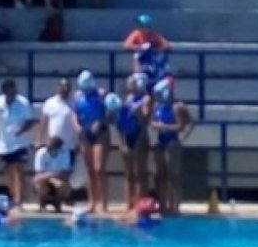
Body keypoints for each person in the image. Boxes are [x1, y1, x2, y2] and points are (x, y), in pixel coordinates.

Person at [0, 79, 37, 209]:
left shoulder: (23, 103)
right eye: (10, 92)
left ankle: (20, 200)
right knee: (8, 172)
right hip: (4, 144)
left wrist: (21, 130)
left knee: (19, 169)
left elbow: (31, 121)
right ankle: (14, 196)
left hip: (20, 142)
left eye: (14, 91)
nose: (13, 94)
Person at [151, 79, 194, 215]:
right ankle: (162, 204)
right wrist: (156, 125)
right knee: (159, 174)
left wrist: (183, 136)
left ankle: (174, 205)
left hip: (172, 142)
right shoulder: (157, 106)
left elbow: (186, 124)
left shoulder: (177, 107)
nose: (157, 97)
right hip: (161, 141)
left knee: (172, 175)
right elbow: (152, 122)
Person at [71, 70, 109, 213]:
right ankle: (92, 201)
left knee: (99, 168)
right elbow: (74, 114)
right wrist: (77, 126)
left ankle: (103, 202)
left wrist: (99, 121)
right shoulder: (77, 96)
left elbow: (109, 113)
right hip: (85, 133)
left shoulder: (101, 94)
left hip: (100, 133)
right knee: (90, 170)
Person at [117, 75, 151, 209]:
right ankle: (129, 203)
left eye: (133, 83)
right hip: (127, 137)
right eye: (129, 84)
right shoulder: (124, 101)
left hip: (139, 136)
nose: (130, 86)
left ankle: (140, 203)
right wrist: (122, 143)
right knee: (128, 173)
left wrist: (138, 113)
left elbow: (145, 120)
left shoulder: (145, 99)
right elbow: (119, 124)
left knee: (140, 173)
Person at [38, 78, 78, 167]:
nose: (65, 89)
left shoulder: (74, 103)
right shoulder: (50, 103)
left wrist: (78, 142)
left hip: (69, 147)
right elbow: (43, 122)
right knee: (52, 171)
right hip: (52, 146)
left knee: (67, 172)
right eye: (63, 86)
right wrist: (40, 140)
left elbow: (78, 125)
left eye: (67, 86)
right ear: (58, 87)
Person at [33, 136, 73, 213]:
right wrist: (54, 174)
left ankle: (57, 203)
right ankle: (43, 203)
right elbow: (38, 175)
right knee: (39, 183)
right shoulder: (41, 153)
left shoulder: (65, 153)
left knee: (63, 186)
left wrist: (49, 175)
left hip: (58, 180)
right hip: (46, 180)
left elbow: (65, 174)